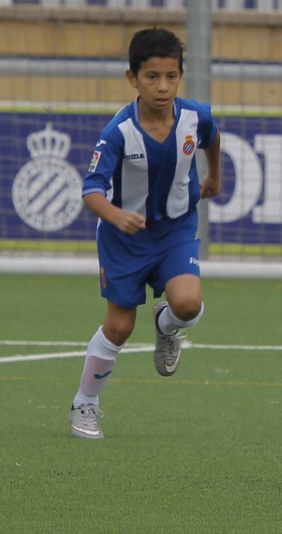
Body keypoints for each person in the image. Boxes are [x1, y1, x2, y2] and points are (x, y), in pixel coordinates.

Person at [68, 27, 222, 439]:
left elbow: (212, 135)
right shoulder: (118, 132)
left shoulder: (194, 117)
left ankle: (168, 324)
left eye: (171, 76)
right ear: (132, 78)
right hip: (125, 239)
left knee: (188, 304)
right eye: (152, 77)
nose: (163, 86)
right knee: (119, 328)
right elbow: (90, 190)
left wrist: (215, 175)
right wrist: (116, 216)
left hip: (175, 229)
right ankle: (85, 403)